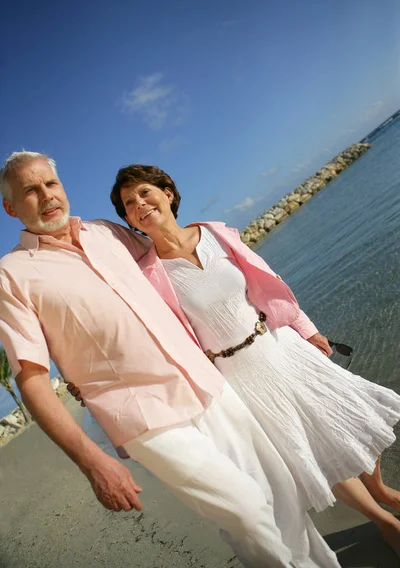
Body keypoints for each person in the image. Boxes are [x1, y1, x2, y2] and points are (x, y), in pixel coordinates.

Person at [0, 151, 341, 568]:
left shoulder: (106, 232)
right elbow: (32, 379)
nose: (46, 195)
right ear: (11, 207)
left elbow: (169, 255)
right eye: (30, 191)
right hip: (145, 419)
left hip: (206, 382)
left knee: (282, 496)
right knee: (246, 511)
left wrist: (230, 267)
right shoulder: (12, 275)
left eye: (50, 184)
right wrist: (91, 461)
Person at [97, 163, 400, 553]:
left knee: (349, 415)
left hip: (279, 344)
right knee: (308, 452)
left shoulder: (216, 234)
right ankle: (383, 520)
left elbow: (266, 281)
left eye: (144, 193)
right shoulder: (148, 276)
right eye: (128, 203)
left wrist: (306, 330)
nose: (139, 204)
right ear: (127, 219)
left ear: (167, 193)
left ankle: (381, 490)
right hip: (239, 376)